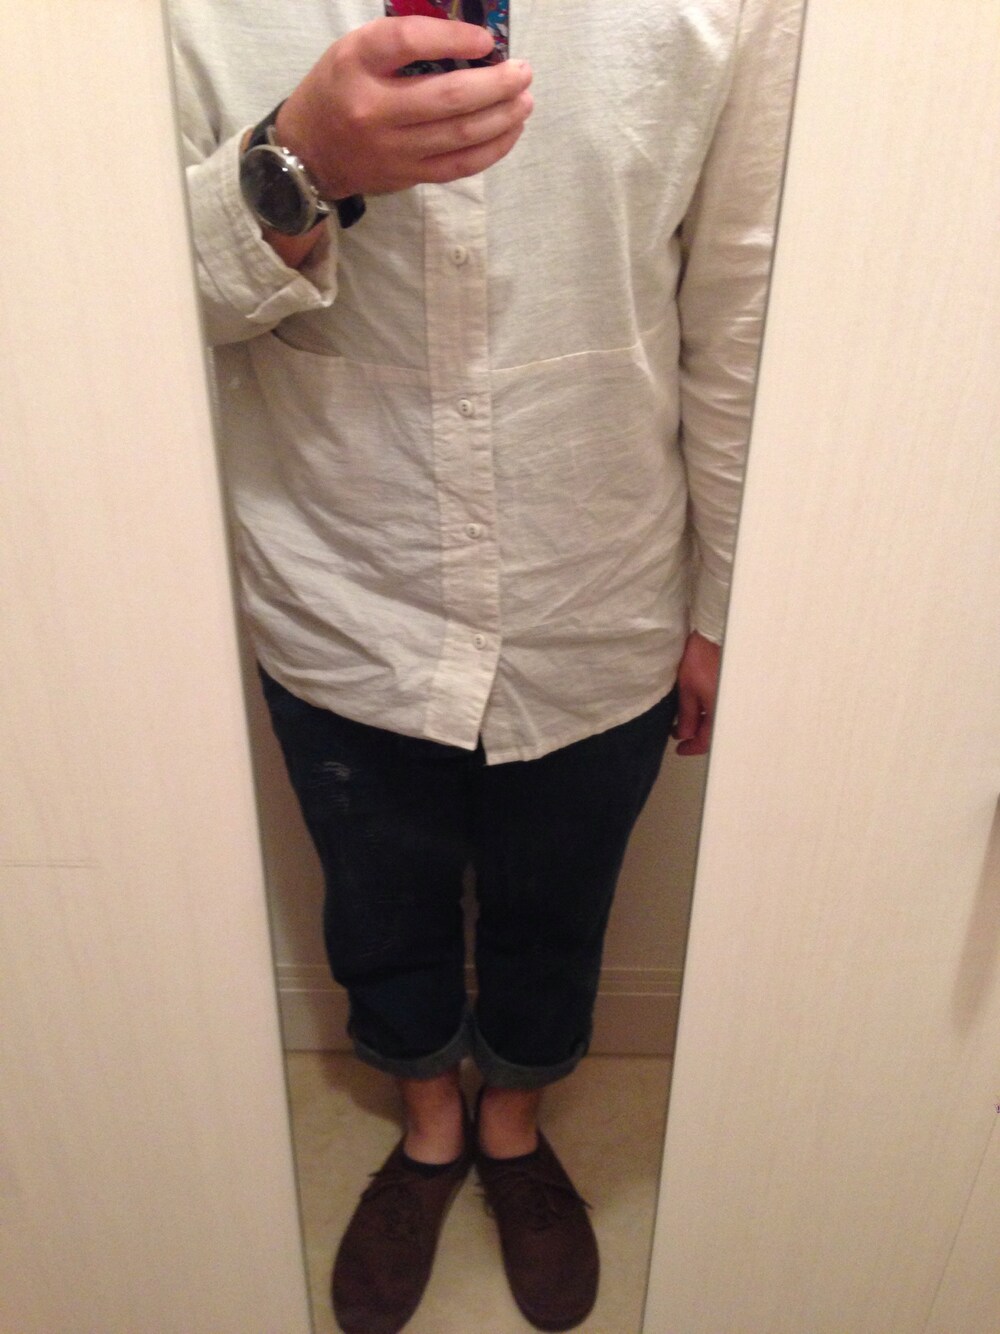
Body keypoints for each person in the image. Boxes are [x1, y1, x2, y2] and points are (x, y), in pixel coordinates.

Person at [170, 1, 801, 1329]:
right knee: (375, 907)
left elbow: (741, 299)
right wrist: (300, 162)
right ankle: (431, 1124)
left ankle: (513, 1123)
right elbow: (136, 313)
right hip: (339, 572)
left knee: (559, 904)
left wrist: (725, 601)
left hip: (603, 582)